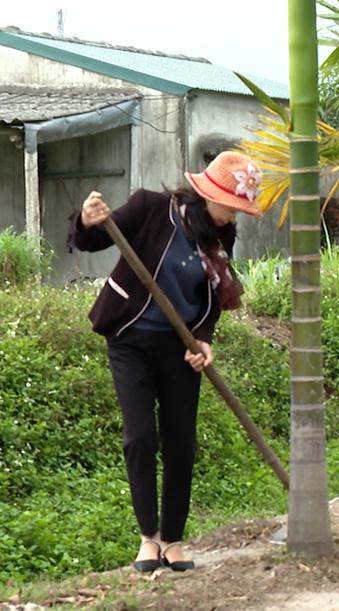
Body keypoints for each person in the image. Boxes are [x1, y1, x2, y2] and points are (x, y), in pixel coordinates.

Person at [69, 152, 263, 572]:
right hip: (130, 340)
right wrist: (87, 218)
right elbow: (91, 240)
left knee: (180, 442)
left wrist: (204, 341)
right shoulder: (150, 209)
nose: (234, 218)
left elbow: (211, 295)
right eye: (233, 207)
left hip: (180, 346)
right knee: (140, 437)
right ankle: (148, 539)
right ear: (209, 195)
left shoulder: (219, 232)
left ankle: (173, 540)